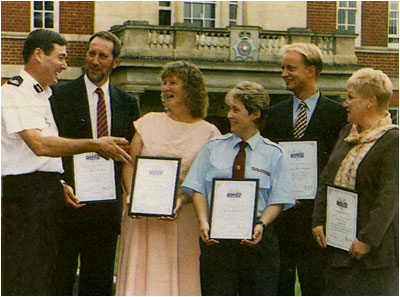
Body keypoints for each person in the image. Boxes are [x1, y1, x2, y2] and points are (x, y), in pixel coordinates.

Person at [1, 29, 131, 296]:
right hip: (24, 197)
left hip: (48, 194)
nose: (64, 65)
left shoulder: (42, 95)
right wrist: (95, 144)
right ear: (39, 54)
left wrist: (57, 182)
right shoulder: (15, 94)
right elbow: (40, 145)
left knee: (44, 279)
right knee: (24, 279)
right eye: (60, 57)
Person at [115, 60, 221, 296]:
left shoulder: (210, 133)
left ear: (191, 89)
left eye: (173, 82)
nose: (165, 88)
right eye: (164, 83)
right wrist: (133, 196)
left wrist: (182, 198)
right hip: (142, 219)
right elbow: (130, 163)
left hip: (184, 217)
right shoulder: (148, 122)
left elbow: (209, 182)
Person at [182, 81, 295, 295]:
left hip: (257, 241)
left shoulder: (274, 154)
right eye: (229, 109)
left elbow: (278, 199)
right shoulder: (212, 148)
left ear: (255, 113)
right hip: (217, 241)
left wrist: (262, 223)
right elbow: (197, 188)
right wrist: (204, 222)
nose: (229, 115)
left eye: (236, 109)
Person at [50, 31, 140, 296]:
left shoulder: (128, 103)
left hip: (105, 209)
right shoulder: (58, 96)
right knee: (60, 280)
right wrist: (60, 184)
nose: (95, 61)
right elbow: (47, 147)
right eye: (91, 53)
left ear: (116, 61)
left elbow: (132, 158)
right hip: (67, 204)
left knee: (99, 284)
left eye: (103, 55)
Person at [261, 43, 348, 295]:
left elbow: (340, 169)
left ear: (311, 71)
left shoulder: (338, 115)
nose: (284, 74)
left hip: (318, 221)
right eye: (282, 68)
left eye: (291, 68)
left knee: (317, 287)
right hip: (282, 220)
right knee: (279, 287)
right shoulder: (274, 115)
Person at [312, 68, 398, 296]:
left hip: (373, 257)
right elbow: (326, 179)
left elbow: (389, 196)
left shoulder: (393, 140)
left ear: (371, 101)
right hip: (338, 247)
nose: (345, 103)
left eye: (350, 97)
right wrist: (319, 220)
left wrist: (366, 239)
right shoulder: (346, 134)